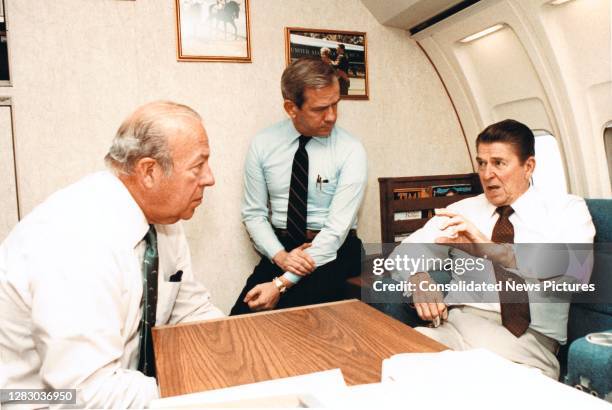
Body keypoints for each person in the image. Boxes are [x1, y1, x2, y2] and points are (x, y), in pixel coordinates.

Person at [0, 101, 223, 408]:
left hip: (117, 391)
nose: (209, 178)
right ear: (149, 171)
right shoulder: (75, 241)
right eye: (198, 166)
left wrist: (234, 352)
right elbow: (86, 394)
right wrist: (198, 388)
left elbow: (189, 310)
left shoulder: (163, 220)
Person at [387, 119, 595, 379]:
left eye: (498, 163)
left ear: (528, 166)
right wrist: (418, 279)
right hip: (456, 330)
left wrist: (489, 249)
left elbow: (577, 268)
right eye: (482, 163)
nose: (487, 174)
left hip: (525, 347)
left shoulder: (566, 209)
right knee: (396, 363)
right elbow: (403, 255)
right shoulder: (462, 211)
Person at [231, 57, 367, 315]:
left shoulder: (351, 150)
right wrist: (281, 257)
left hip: (334, 253)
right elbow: (254, 214)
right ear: (291, 108)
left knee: (294, 323)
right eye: (320, 109)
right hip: (282, 251)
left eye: (336, 104)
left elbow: (337, 230)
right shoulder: (263, 144)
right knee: (239, 320)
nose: (332, 117)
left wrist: (281, 283)